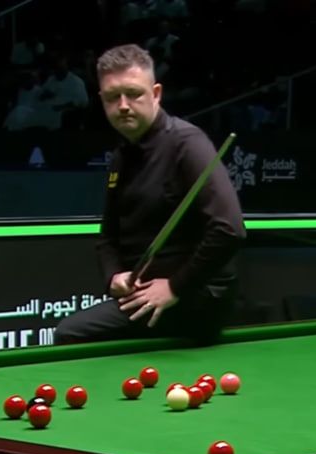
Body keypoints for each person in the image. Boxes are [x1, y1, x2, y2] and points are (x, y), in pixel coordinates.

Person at [54, 44, 245, 345]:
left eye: (133, 94)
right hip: (145, 296)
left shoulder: (187, 144)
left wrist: (175, 287)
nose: (123, 105)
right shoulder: (121, 156)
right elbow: (108, 238)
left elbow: (229, 228)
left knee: (70, 333)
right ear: (102, 100)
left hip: (198, 297)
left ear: (156, 94)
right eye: (113, 97)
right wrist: (114, 276)